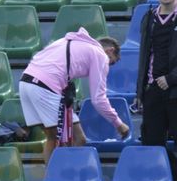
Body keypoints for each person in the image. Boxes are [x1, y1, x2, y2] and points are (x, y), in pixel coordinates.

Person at [19, 27, 128, 162]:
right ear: (110, 50)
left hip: (25, 83)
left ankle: (61, 171)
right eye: (111, 61)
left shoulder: (66, 41)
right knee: (64, 139)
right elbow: (98, 99)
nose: (107, 65)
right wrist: (119, 124)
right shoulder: (100, 54)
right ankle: (59, 174)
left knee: (69, 138)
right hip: (44, 86)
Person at [135, 0, 177, 181]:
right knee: (151, 143)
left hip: (174, 90)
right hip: (153, 91)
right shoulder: (149, 17)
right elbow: (144, 55)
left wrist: (171, 78)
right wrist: (140, 91)